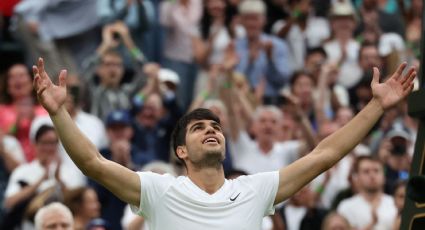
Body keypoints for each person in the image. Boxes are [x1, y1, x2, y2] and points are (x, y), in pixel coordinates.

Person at [32, 57, 416, 229]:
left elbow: (325, 154)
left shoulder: (255, 189)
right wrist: (59, 113)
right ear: (180, 151)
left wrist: (377, 105)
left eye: (215, 126)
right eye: (198, 128)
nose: (211, 130)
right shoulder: (158, 190)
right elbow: (94, 164)